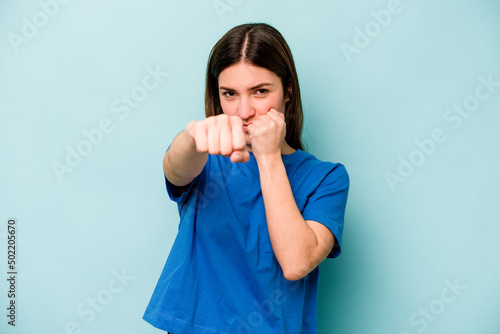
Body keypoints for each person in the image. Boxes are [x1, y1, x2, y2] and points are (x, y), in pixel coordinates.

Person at [143, 23, 349, 333]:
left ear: (288, 91)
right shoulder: (205, 157)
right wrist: (191, 137)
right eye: (230, 94)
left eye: (260, 91)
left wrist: (268, 157)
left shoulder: (326, 178)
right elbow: (176, 166)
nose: (244, 110)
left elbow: (296, 263)